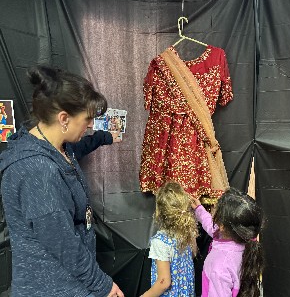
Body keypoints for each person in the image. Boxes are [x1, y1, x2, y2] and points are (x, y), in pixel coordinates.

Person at [0, 66, 124, 297]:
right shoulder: (38, 172)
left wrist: (105, 137)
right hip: (53, 287)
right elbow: (63, 243)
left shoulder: (55, 147)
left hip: (68, 280)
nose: (89, 126)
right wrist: (103, 285)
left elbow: (80, 146)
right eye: (87, 119)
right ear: (64, 118)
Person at [191, 188, 264, 297]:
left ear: (222, 226)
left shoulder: (218, 267)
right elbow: (211, 226)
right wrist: (199, 209)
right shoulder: (243, 240)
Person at [140, 181, 198, 297]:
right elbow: (193, 254)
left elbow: (164, 282)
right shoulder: (188, 231)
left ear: (160, 212)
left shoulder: (160, 242)